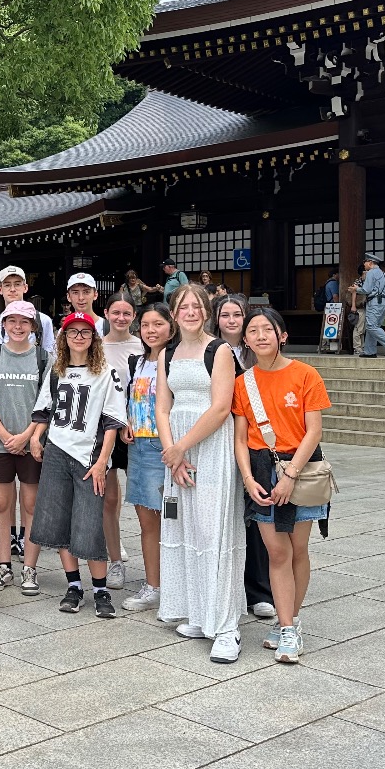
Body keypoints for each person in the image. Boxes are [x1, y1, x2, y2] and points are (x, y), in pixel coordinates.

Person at [232, 307, 332, 664]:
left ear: (282, 336)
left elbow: (314, 430)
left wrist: (289, 476)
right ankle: (287, 624)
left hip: (301, 468)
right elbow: (240, 438)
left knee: (298, 549)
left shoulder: (306, 374)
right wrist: (247, 478)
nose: (260, 336)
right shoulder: (242, 383)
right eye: (253, 331)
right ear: (245, 340)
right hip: (260, 470)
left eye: (267, 330)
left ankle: (289, 621)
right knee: (278, 552)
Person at [157, 283, 245, 663]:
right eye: (183, 306)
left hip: (210, 447)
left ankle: (226, 626)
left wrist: (182, 447)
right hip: (176, 449)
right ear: (174, 313)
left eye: (196, 306)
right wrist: (172, 452)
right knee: (185, 527)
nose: (190, 312)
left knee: (215, 531)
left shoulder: (219, 350)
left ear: (206, 311)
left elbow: (221, 407)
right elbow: (162, 406)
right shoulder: (167, 352)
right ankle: (198, 611)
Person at [26, 311, 127, 617]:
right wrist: (35, 438)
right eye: (73, 332)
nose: (79, 337)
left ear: (93, 338)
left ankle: (100, 589)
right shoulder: (57, 370)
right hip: (57, 451)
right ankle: (74, 586)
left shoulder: (106, 373)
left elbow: (112, 422)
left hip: (89, 456)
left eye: (85, 332)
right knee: (58, 523)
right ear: (64, 337)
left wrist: (102, 462)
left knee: (88, 522)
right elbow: (45, 409)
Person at [0, 300, 46, 594]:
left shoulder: (43, 358)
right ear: (3, 324)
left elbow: (47, 402)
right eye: (12, 321)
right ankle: (4, 567)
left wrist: (26, 436)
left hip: (33, 443)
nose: (18, 327)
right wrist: (6, 437)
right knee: (1, 506)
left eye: (24, 322)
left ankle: (30, 568)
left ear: (33, 327)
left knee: (31, 505)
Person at [211, 293, 273, 619]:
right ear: (216, 319)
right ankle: (226, 584)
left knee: (255, 513)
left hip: (254, 441)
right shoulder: (209, 351)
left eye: (237, 315)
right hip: (217, 439)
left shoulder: (256, 353)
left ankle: (260, 590)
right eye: (225, 315)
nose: (232, 321)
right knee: (225, 513)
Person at [119, 302, 173, 613]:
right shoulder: (137, 362)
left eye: (158, 324)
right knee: (146, 523)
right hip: (137, 447)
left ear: (171, 327)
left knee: (172, 520)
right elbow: (132, 399)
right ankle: (153, 585)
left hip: (164, 449)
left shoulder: (176, 360)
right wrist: (128, 420)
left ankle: (175, 583)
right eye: (146, 325)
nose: (151, 331)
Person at [100, 291, 142, 589]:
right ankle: (114, 558)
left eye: (127, 313)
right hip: (107, 428)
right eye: (116, 312)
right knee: (109, 496)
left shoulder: (143, 345)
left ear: (134, 316)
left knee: (145, 500)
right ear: (106, 313)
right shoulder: (97, 347)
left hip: (139, 428)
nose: (121, 318)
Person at [0, 265, 56, 358]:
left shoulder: (43, 321)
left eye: (17, 284)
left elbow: (49, 358)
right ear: (0, 289)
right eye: (7, 285)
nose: (12, 289)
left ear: (25, 287)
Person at [359, 253, 385, 358]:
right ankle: (370, 351)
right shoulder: (382, 273)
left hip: (375, 302)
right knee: (373, 327)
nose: (364, 264)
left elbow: (366, 289)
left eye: (365, 262)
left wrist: (356, 289)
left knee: (371, 326)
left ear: (370, 263)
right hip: (384, 302)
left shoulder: (371, 273)